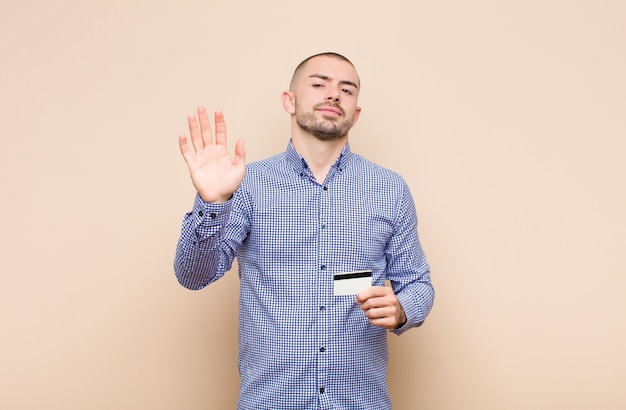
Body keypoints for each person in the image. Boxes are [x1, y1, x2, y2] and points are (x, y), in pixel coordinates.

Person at [174, 52, 434, 410]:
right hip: (270, 401)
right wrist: (212, 202)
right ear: (289, 100)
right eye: (319, 84)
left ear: (355, 113)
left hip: (361, 402)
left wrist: (403, 308)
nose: (333, 95)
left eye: (346, 89)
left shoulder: (390, 189)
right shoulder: (249, 184)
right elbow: (192, 275)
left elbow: (418, 282)